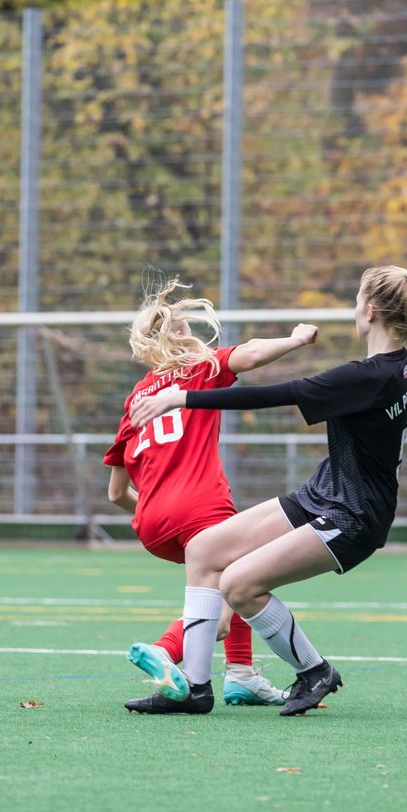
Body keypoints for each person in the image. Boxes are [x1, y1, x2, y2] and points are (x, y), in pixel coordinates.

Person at [127, 265, 407, 716]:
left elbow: (273, 394)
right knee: (205, 549)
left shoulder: (364, 377)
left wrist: (182, 397)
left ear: (369, 311)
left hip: (352, 517)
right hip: (322, 496)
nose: (354, 309)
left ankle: (314, 671)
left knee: (240, 584)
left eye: (355, 301)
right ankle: (194, 688)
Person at [104, 277, 319, 713]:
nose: (189, 334)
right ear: (170, 340)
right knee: (222, 606)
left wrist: (152, 508)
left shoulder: (135, 398)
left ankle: (241, 675)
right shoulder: (196, 370)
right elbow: (252, 352)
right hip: (199, 505)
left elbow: (114, 493)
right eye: (181, 328)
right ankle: (166, 650)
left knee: (235, 573)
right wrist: (295, 339)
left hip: (151, 521)